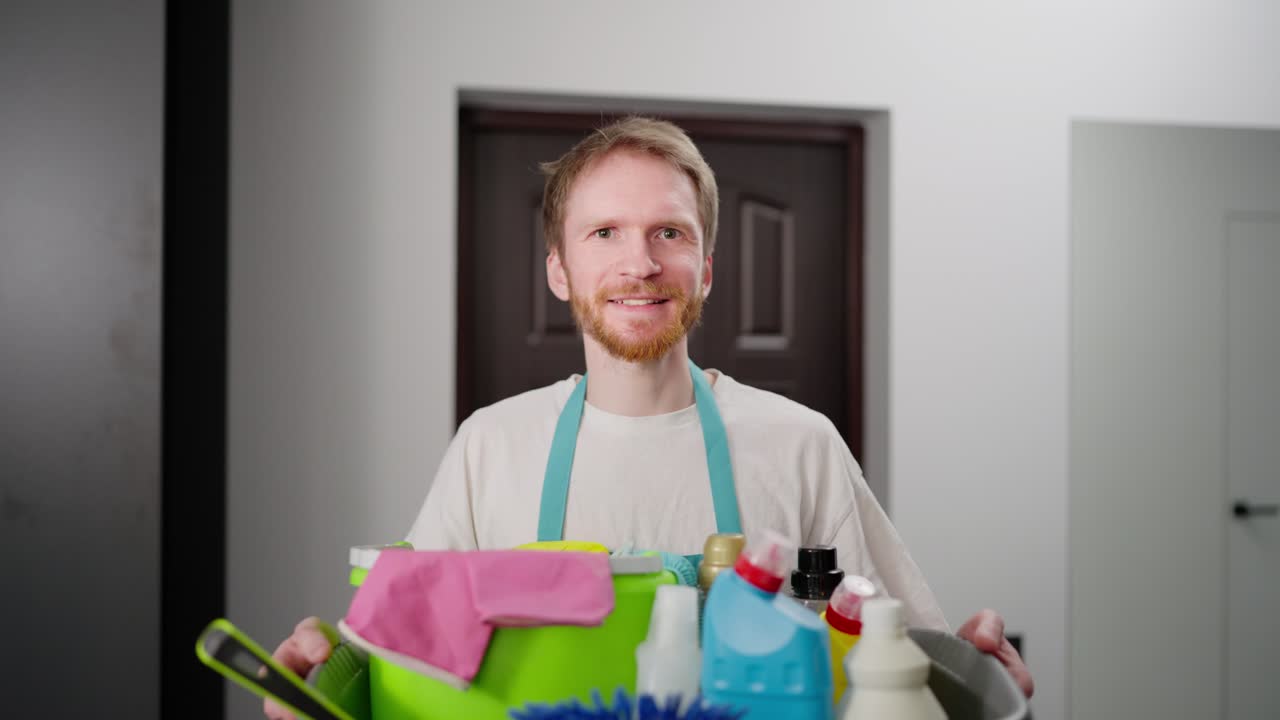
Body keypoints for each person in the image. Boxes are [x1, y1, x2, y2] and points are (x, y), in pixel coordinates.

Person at [265, 117, 1033, 719]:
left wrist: (978, 677)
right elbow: (397, 660)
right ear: (559, 271)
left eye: (670, 232)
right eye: (605, 233)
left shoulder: (800, 445)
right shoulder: (490, 447)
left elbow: (910, 667)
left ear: (706, 266)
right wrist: (323, 668)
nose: (640, 264)